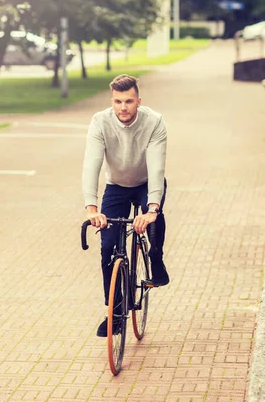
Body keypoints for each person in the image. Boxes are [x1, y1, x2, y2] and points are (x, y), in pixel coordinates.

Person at [82, 74, 169, 337]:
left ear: (138, 101)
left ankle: (156, 258)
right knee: (108, 247)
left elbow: (156, 168)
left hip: (146, 183)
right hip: (116, 186)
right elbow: (91, 165)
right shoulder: (100, 122)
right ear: (112, 101)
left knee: (154, 222)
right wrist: (91, 208)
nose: (123, 107)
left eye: (129, 101)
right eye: (118, 101)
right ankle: (115, 312)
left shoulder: (154, 122)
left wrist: (151, 209)